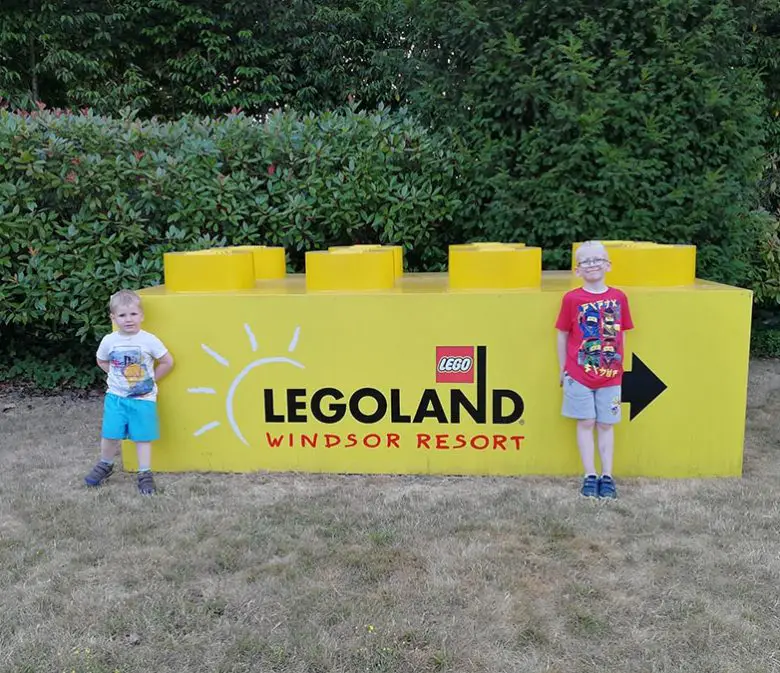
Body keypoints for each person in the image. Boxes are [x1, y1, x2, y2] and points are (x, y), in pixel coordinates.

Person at [555, 241, 634, 498]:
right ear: (577, 270)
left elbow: (623, 334)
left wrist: (622, 365)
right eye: (586, 262)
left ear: (608, 265)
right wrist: (563, 369)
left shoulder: (619, 297)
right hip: (579, 374)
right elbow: (562, 334)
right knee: (586, 421)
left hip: (611, 376)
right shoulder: (572, 299)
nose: (592, 265)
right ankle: (590, 475)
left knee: (606, 424)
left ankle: (607, 475)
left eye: (597, 259)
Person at [84, 289, 174, 495]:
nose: (128, 319)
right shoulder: (109, 340)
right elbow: (101, 360)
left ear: (141, 315)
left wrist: (149, 380)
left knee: (142, 437)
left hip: (143, 399)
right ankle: (105, 464)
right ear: (113, 318)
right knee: (110, 434)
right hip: (116, 398)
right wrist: (117, 377)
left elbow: (168, 361)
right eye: (122, 315)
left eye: (133, 314)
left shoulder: (149, 340)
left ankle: (144, 473)